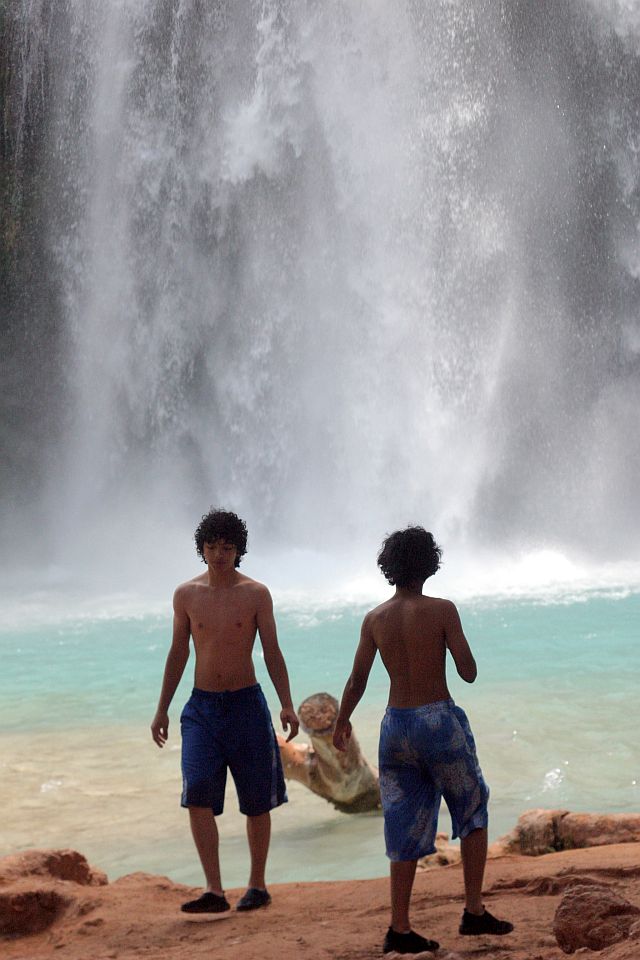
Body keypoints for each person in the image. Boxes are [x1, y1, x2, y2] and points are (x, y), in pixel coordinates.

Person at [333, 526, 513, 954]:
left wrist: (342, 720)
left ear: (389, 567)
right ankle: (472, 911)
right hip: (437, 722)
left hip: (395, 727)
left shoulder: (375, 618)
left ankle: (399, 927)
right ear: (430, 565)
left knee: (402, 823)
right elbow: (468, 672)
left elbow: (358, 678)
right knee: (471, 808)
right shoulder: (443, 610)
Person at [151, 508, 299, 913]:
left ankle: (257, 884)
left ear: (239, 551)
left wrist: (286, 703)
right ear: (201, 549)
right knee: (197, 794)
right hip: (201, 708)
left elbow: (271, 650)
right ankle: (214, 891)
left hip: (246, 703)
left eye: (228, 548)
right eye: (212, 547)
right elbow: (178, 652)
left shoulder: (255, 594)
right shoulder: (186, 595)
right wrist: (162, 708)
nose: (219, 555)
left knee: (257, 801)